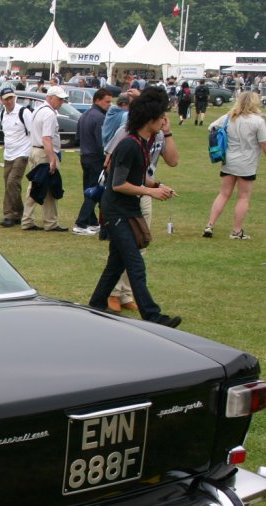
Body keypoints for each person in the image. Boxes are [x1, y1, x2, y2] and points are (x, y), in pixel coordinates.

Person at [89, 90, 181, 328]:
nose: (164, 121)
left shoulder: (141, 143)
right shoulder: (129, 144)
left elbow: (137, 176)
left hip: (127, 209)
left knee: (116, 263)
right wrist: (151, 192)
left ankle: (96, 305)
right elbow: (119, 183)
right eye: (161, 117)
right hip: (117, 211)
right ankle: (153, 316)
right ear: (149, 119)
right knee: (135, 262)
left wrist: (159, 185)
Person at [202, 92, 266, 240]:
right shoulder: (257, 121)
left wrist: (223, 135)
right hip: (247, 162)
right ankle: (236, 231)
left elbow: (211, 127)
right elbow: (265, 142)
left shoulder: (229, 117)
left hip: (228, 160)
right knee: (243, 197)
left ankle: (210, 224)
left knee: (223, 194)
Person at [21, 86, 69, 232]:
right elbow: (47, 138)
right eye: (59, 99)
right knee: (48, 186)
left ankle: (32, 220)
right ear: (50, 97)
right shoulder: (49, 114)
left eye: (62, 99)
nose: (61, 102)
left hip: (36, 150)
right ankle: (48, 222)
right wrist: (52, 159)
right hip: (44, 153)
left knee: (38, 186)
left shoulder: (38, 110)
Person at [72, 88, 113, 235]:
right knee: (95, 190)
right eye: (107, 101)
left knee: (89, 189)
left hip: (85, 156)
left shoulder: (84, 116)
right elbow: (101, 142)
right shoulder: (100, 118)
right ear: (97, 100)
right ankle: (81, 223)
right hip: (96, 158)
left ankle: (92, 220)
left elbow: (78, 137)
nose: (109, 104)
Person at [0, 87, 32, 228]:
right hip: (8, 154)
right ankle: (19, 212)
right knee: (10, 184)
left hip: (22, 153)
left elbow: (33, 132)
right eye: (6, 99)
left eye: (11, 97)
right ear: (2, 101)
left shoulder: (24, 112)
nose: (10, 101)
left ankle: (9, 214)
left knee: (12, 182)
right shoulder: (2, 114)